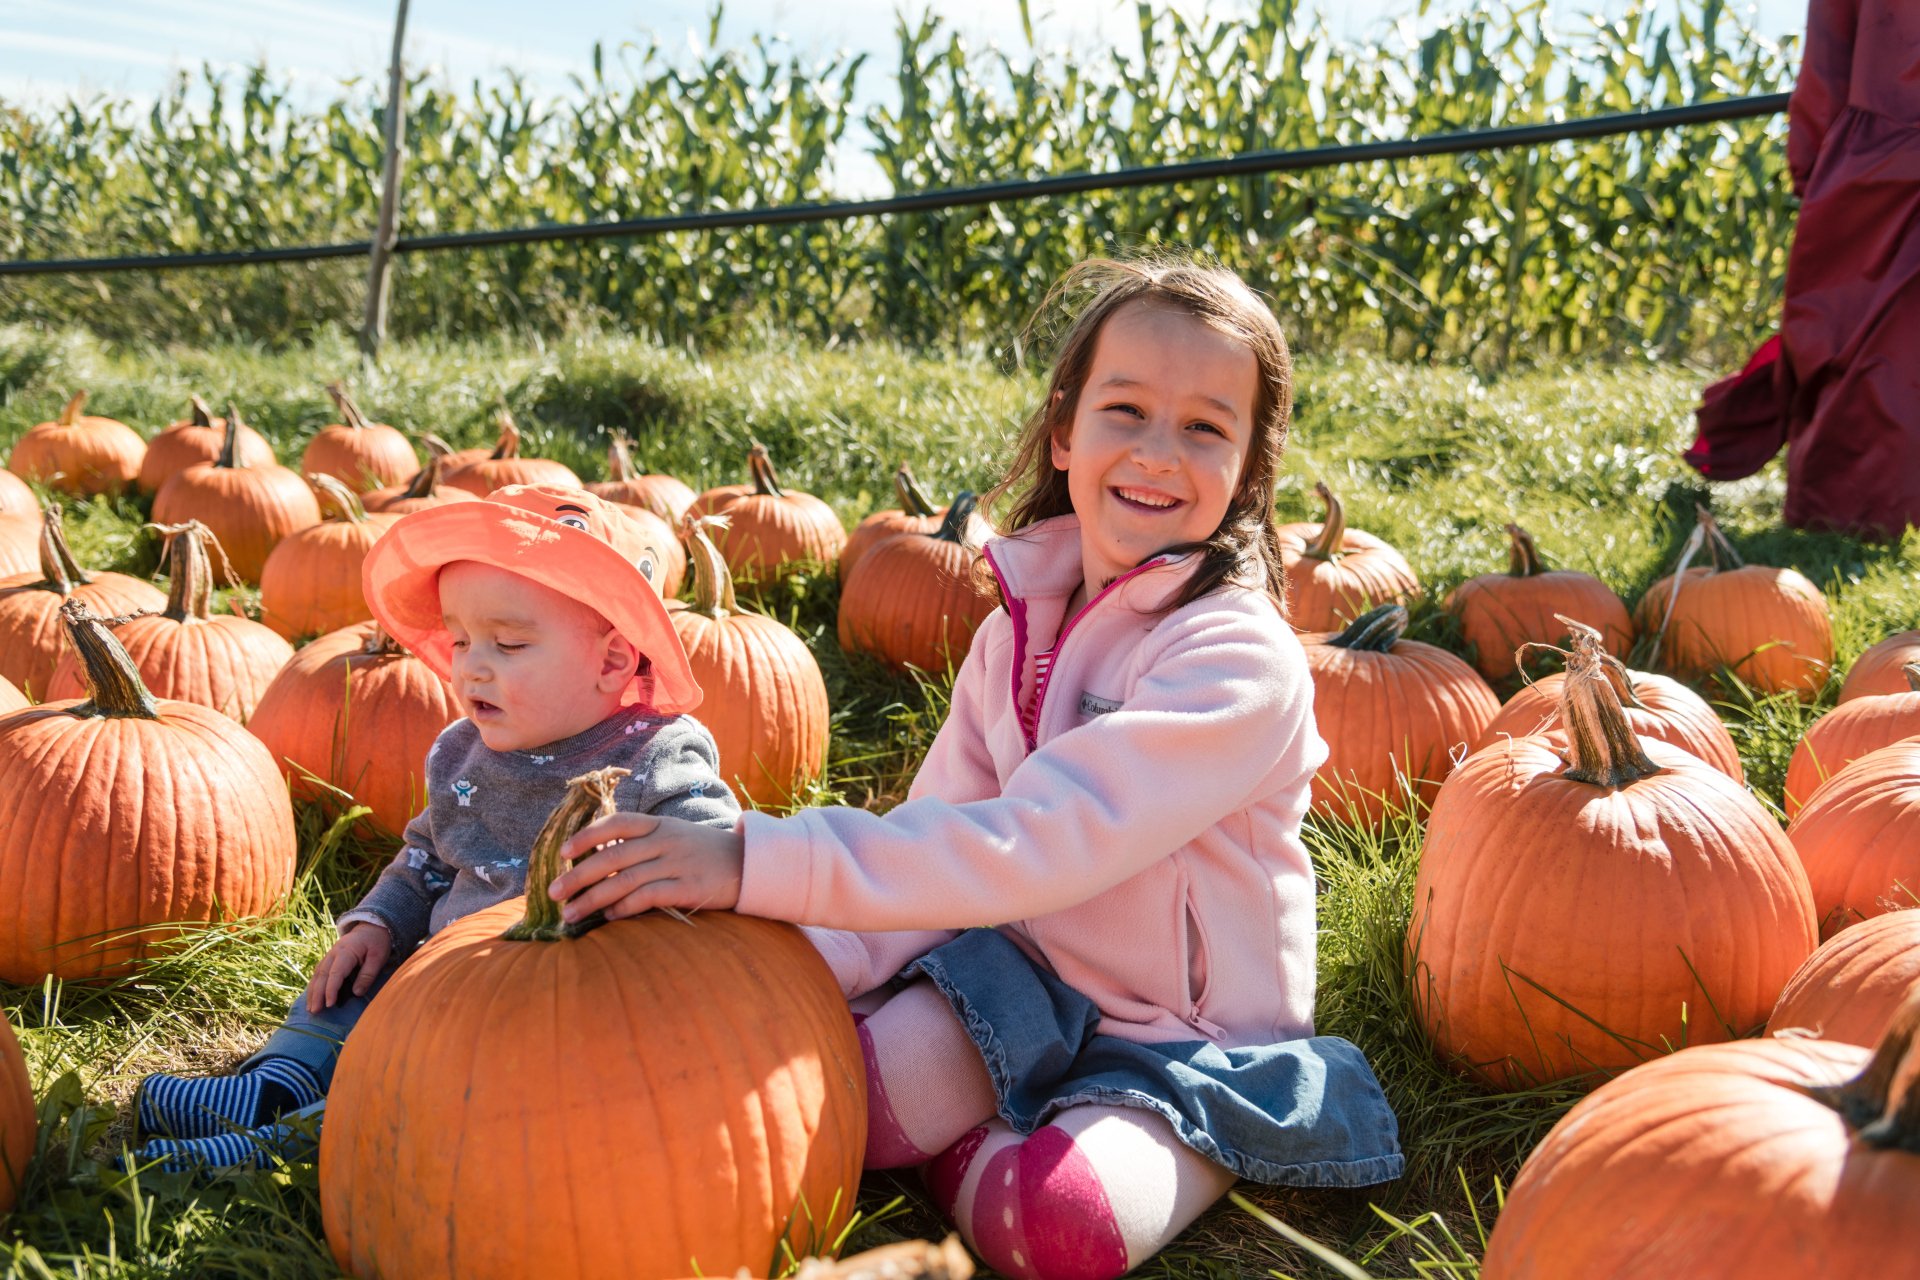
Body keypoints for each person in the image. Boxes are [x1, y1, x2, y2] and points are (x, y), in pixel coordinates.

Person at [548, 258, 1404, 1279]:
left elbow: (1036, 839)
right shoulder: (1015, 632)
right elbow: (938, 826)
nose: (1157, 452)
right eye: (1125, 409)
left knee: (1060, 1224)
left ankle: (996, 1145)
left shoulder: (1239, 660)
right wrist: (784, 961)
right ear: (1063, 430)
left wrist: (751, 855)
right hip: (1022, 978)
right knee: (825, 1098)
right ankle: (957, 1117)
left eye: (1205, 427)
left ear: (1249, 472)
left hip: (1187, 1038)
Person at [126, 485, 740, 1172]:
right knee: (347, 985)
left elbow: (716, 856)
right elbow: (427, 854)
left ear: (612, 661)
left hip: (554, 1012)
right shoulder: (462, 750)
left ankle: (280, 1145)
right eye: (461, 640)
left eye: (508, 643)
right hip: (437, 976)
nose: (472, 664)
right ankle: (273, 1083)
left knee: (416, 1087)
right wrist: (380, 921)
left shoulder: (656, 756)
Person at [1686, 0, 1920, 539]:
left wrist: (1813, 163)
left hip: (1881, 165)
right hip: (1887, 161)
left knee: (1862, 341)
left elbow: (1828, 59)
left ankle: (1855, 513)